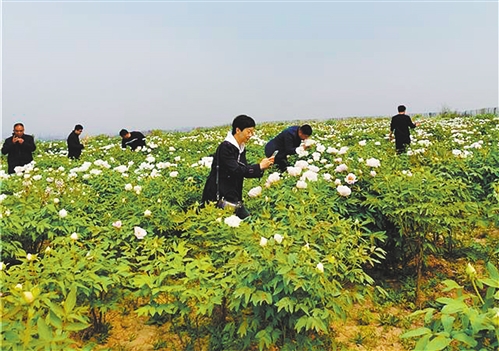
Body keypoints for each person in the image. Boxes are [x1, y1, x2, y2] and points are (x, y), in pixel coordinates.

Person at [202, 115, 274, 219]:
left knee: (240, 223)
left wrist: (262, 167)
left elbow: (243, 170)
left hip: (233, 194)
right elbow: (236, 170)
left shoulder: (241, 147)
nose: (251, 135)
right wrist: (259, 166)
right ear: (238, 130)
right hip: (219, 195)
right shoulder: (226, 147)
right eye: (248, 131)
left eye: (252, 132)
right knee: (240, 222)